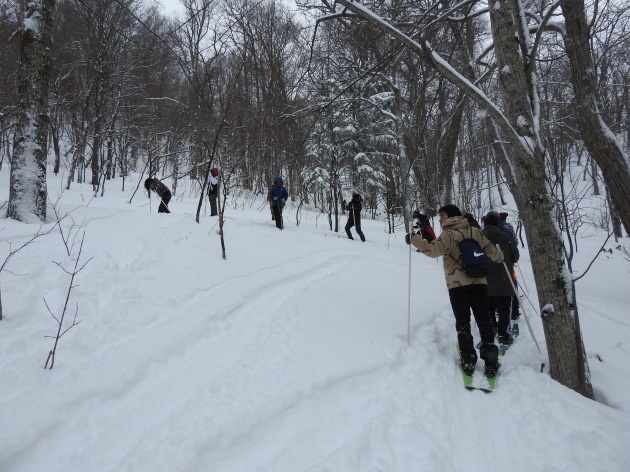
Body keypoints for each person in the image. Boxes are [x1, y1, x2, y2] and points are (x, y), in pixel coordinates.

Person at [406, 204, 504, 377]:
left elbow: (431, 250)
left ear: (451, 216)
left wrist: (414, 238)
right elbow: (492, 253)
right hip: (479, 282)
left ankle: (468, 360)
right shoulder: (475, 231)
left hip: (458, 285)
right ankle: (491, 361)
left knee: (463, 322)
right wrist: (500, 255)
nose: (440, 219)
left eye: (442, 215)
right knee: (484, 320)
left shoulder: (448, 235)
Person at [482, 211, 520, 346]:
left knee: (489, 307)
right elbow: (515, 257)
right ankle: (503, 334)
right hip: (505, 277)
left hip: (485, 279)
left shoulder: (479, 238)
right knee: (504, 307)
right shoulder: (506, 237)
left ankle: (491, 328)